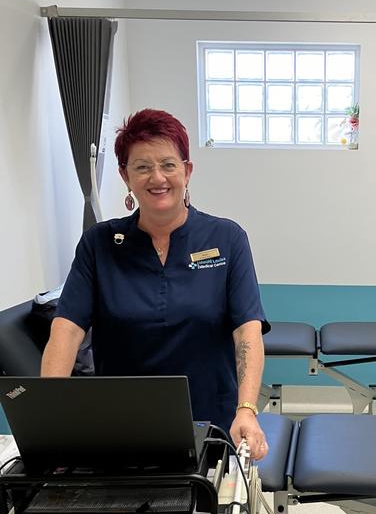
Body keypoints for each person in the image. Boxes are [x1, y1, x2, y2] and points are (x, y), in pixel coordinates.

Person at [41, 108, 270, 460]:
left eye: (168, 164)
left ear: (187, 170)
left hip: (211, 425)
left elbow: (247, 331)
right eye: (142, 167)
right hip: (119, 428)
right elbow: (66, 330)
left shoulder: (227, 238)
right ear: (125, 175)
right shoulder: (99, 243)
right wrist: (51, 412)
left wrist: (247, 409)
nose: (157, 178)